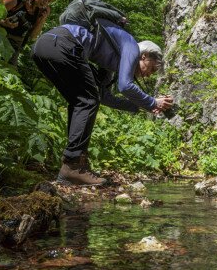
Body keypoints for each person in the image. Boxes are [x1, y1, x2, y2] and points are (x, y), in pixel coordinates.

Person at [31, 19, 174, 186]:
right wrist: (152, 102)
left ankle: (75, 164)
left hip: (43, 47)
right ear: (145, 56)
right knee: (87, 100)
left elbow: (104, 97)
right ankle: (72, 166)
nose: (149, 75)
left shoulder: (113, 58)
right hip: (62, 44)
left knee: (82, 100)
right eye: (152, 69)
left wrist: (141, 106)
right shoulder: (131, 46)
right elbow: (125, 85)